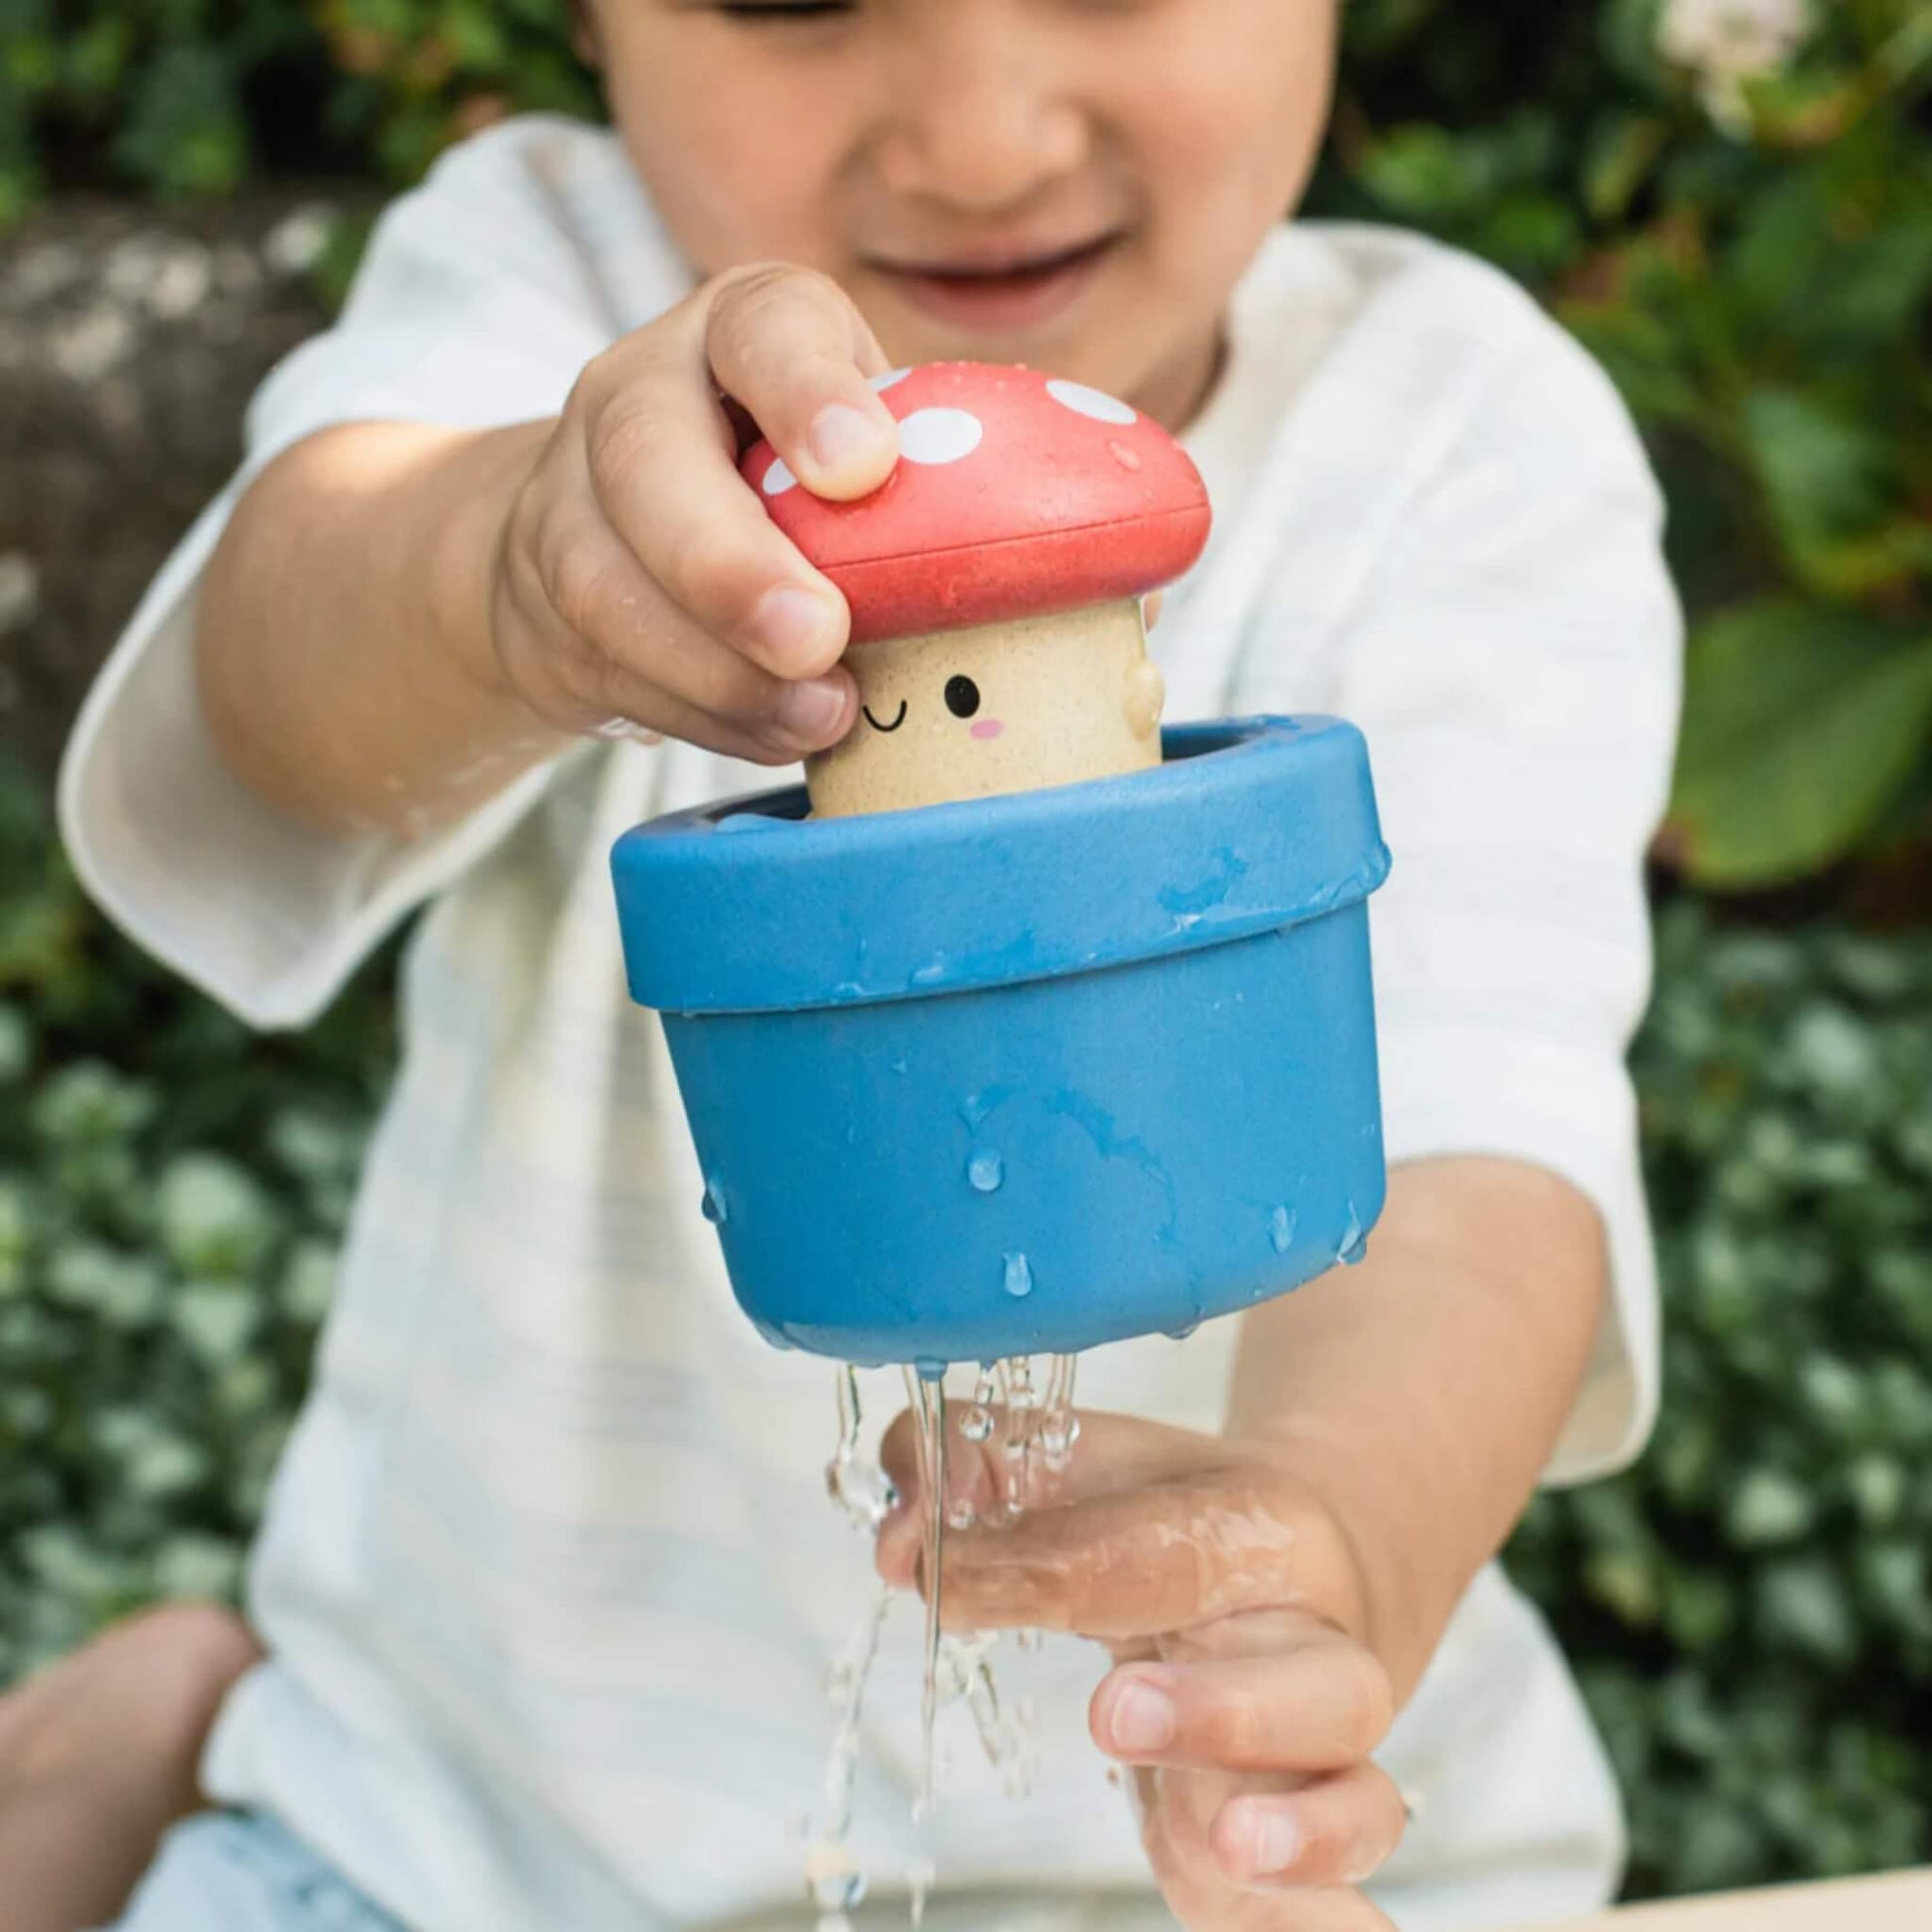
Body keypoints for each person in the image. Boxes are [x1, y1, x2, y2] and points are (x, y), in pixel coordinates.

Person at [11, 0, 1681, 1926]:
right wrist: (501, 571)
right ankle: (157, 1742)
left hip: (1245, 1868)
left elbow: (1487, 1169)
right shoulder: (553, 291)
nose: (975, 137)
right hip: (471, 1849)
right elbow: (279, 690)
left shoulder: (1453, 433)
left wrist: (1331, 1537)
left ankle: (115, 1743)